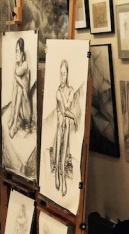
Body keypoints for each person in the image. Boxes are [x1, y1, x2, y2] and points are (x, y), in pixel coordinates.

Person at [49, 59, 77, 197]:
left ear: (67, 74)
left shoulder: (71, 90)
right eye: (60, 73)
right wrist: (74, 117)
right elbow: (65, 109)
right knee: (59, 148)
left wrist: (69, 115)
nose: (61, 76)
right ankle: (57, 176)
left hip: (66, 124)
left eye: (64, 73)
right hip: (60, 123)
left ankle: (63, 178)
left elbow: (68, 105)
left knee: (65, 149)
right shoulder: (57, 92)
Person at [7, 37, 32, 139]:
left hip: (25, 109)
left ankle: (14, 124)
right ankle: (13, 117)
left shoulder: (25, 65)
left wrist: (21, 85)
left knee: (20, 89)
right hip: (20, 104)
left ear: (22, 53)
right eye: (15, 51)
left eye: (17, 51)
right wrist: (21, 84)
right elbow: (16, 76)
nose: (16, 54)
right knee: (16, 85)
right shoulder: (18, 64)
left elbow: (16, 73)